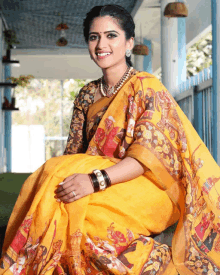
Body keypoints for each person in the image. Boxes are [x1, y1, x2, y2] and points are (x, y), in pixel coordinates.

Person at [0, 4, 220, 275]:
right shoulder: (86, 94)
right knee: (56, 183)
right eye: (94, 37)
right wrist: (72, 178)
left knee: (88, 221)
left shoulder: (146, 87)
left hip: (146, 186)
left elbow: (147, 157)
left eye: (111, 36)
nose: (101, 44)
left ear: (129, 42)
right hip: (97, 180)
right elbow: (74, 154)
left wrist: (93, 181)